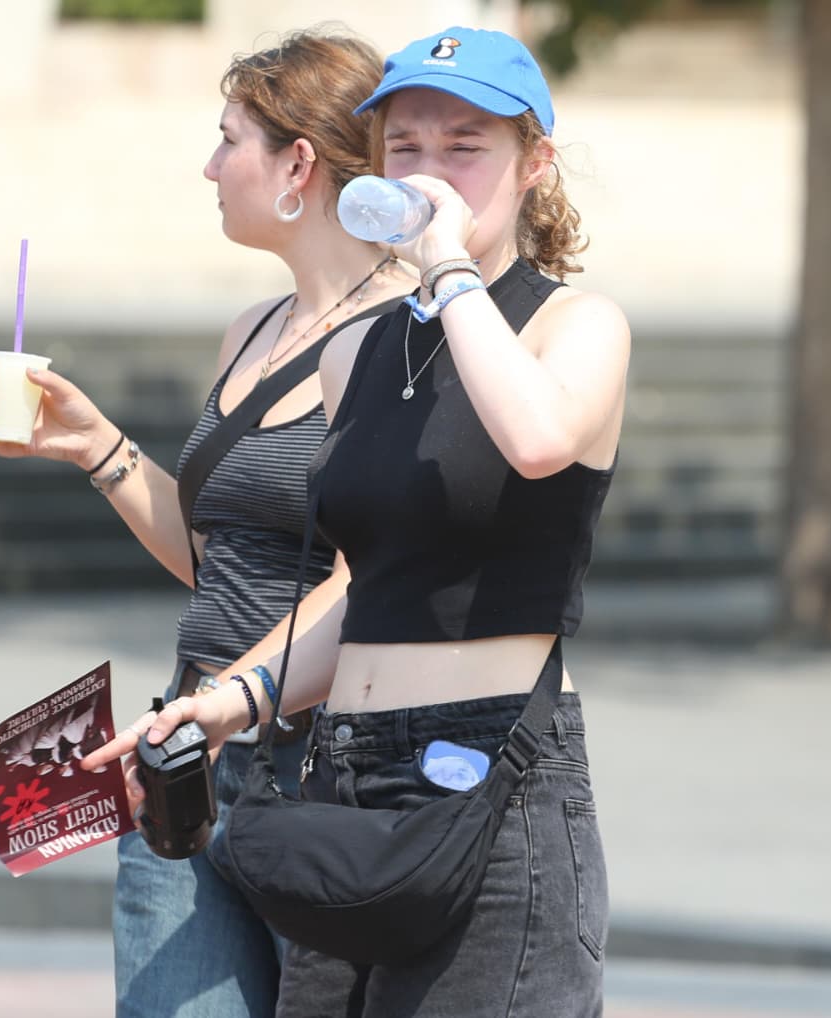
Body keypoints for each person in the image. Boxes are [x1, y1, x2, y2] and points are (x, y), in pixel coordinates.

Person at [86, 25, 630, 1018]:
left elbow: (536, 438)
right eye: (405, 145)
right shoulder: (359, 353)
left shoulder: (575, 325)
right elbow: (365, 590)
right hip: (347, 772)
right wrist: (235, 699)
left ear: (533, 163)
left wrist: (446, 269)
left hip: (491, 773)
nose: (430, 171)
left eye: (464, 146)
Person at [0, 29, 415, 1017]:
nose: (209, 167)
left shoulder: (402, 337)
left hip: (316, 776)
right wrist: (95, 446)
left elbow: (372, 574)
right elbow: (215, 561)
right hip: (186, 763)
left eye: (228, 140)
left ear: (296, 164)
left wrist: (227, 702)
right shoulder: (251, 330)